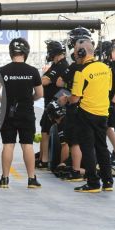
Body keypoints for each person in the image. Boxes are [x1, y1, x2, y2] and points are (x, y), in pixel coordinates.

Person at [59, 39, 113, 193]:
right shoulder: (106, 68)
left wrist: (65, 99)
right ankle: (108, 182)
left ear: (82, 53)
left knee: (87, 148)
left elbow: (75, 98)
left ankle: (93, 183)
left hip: (86, 114)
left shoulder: (81, 72)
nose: (74, 54)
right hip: (103, 113)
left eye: (76, 52)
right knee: (102, 147)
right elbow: (108, 89)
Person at [0, 37, 43, 188]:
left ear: (11, 52)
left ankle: (5, 179)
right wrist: (29, 100)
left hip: (8, 113)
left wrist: (5, 102)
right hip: (26, 112)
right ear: (26, 52)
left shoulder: (2, 70)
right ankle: (32, 179)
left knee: (8, 144)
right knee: (27, 145)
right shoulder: (32, 71)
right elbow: (40, 94)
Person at [56, 27, 94, 181]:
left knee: (74, 141)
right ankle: (94, 173)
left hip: (76, 107)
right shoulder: (100, 67)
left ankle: (77, 171)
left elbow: (60, 82)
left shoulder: (75, 68)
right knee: (93, 142)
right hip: (95, 108)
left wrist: (68, 94)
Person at [37, 40, 69, 170]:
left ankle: (44, 160)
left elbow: (45, 80)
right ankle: (42, 157)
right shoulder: (55, 65)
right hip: (51, 102)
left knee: (46, 131)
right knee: (45, 129)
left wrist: (34, 78)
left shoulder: (60, 65)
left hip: (54, 104)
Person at [45, 101, 69, 177]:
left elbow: (65, 145)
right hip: (88, 151)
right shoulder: (70, 117)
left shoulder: (62, 124)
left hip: (82, 155)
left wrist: (63, 164)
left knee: (61, 170)